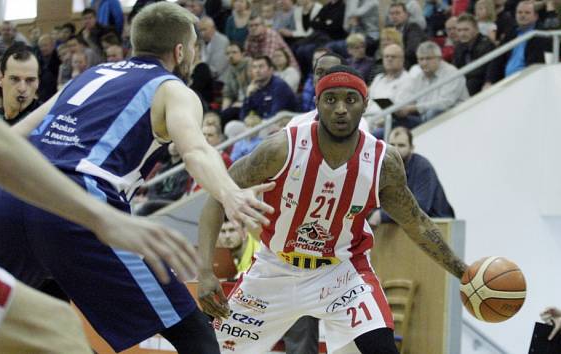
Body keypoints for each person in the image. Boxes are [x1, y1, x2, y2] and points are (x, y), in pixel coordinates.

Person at [0, 1, 268, 353]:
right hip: (79, 203)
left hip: (11, 199)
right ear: (181, 50)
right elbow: (196, 150)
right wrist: (229, 192)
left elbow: (1, 143)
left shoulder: (89, 76)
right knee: (193, 331)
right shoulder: (172, 89)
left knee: (21, 330)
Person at [197, 65, 469, 354]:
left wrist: (463, 273)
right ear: (316, 104)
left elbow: (417, 223)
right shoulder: (281, 149)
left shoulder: (382, 162)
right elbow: (217, 194)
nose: (340, 108)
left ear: (365, 105)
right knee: (209, 347)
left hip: (341, 274)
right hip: (274, 269)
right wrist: (204, 271)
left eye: (350, 100)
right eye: (331, 99)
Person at [368, 127, 454, 227]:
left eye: (401, 145)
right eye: (392, 145)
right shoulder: (385, 167)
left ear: (411, 148)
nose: (395, 150)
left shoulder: (423, 167)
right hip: (408, 227)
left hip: (439, 226)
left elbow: (419, 208)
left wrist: (382, 215)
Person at [0, 43, 41, 126]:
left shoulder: (48, 122)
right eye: (14, 79)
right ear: (0, 79)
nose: (22, 88)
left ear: (38, 82)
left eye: (30, 80)